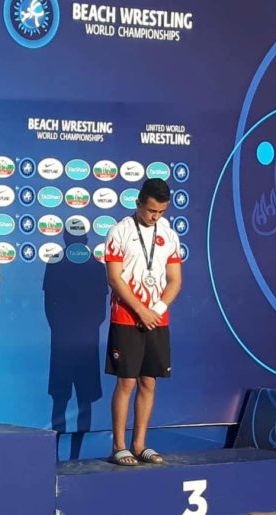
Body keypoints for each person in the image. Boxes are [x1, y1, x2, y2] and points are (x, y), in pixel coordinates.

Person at [102, 178, 182, 466]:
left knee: (149, 381)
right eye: (150, 211)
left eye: (161, 212)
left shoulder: (169, 234)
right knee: (127, 382)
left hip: (157, 319)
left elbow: (175, 280)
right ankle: (119, 446)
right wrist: (140, 310)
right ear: (138, 204)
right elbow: (115, 278)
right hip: (126, 317)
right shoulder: (119, 232)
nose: (155, 217)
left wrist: (156, 309)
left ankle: (140, 444)